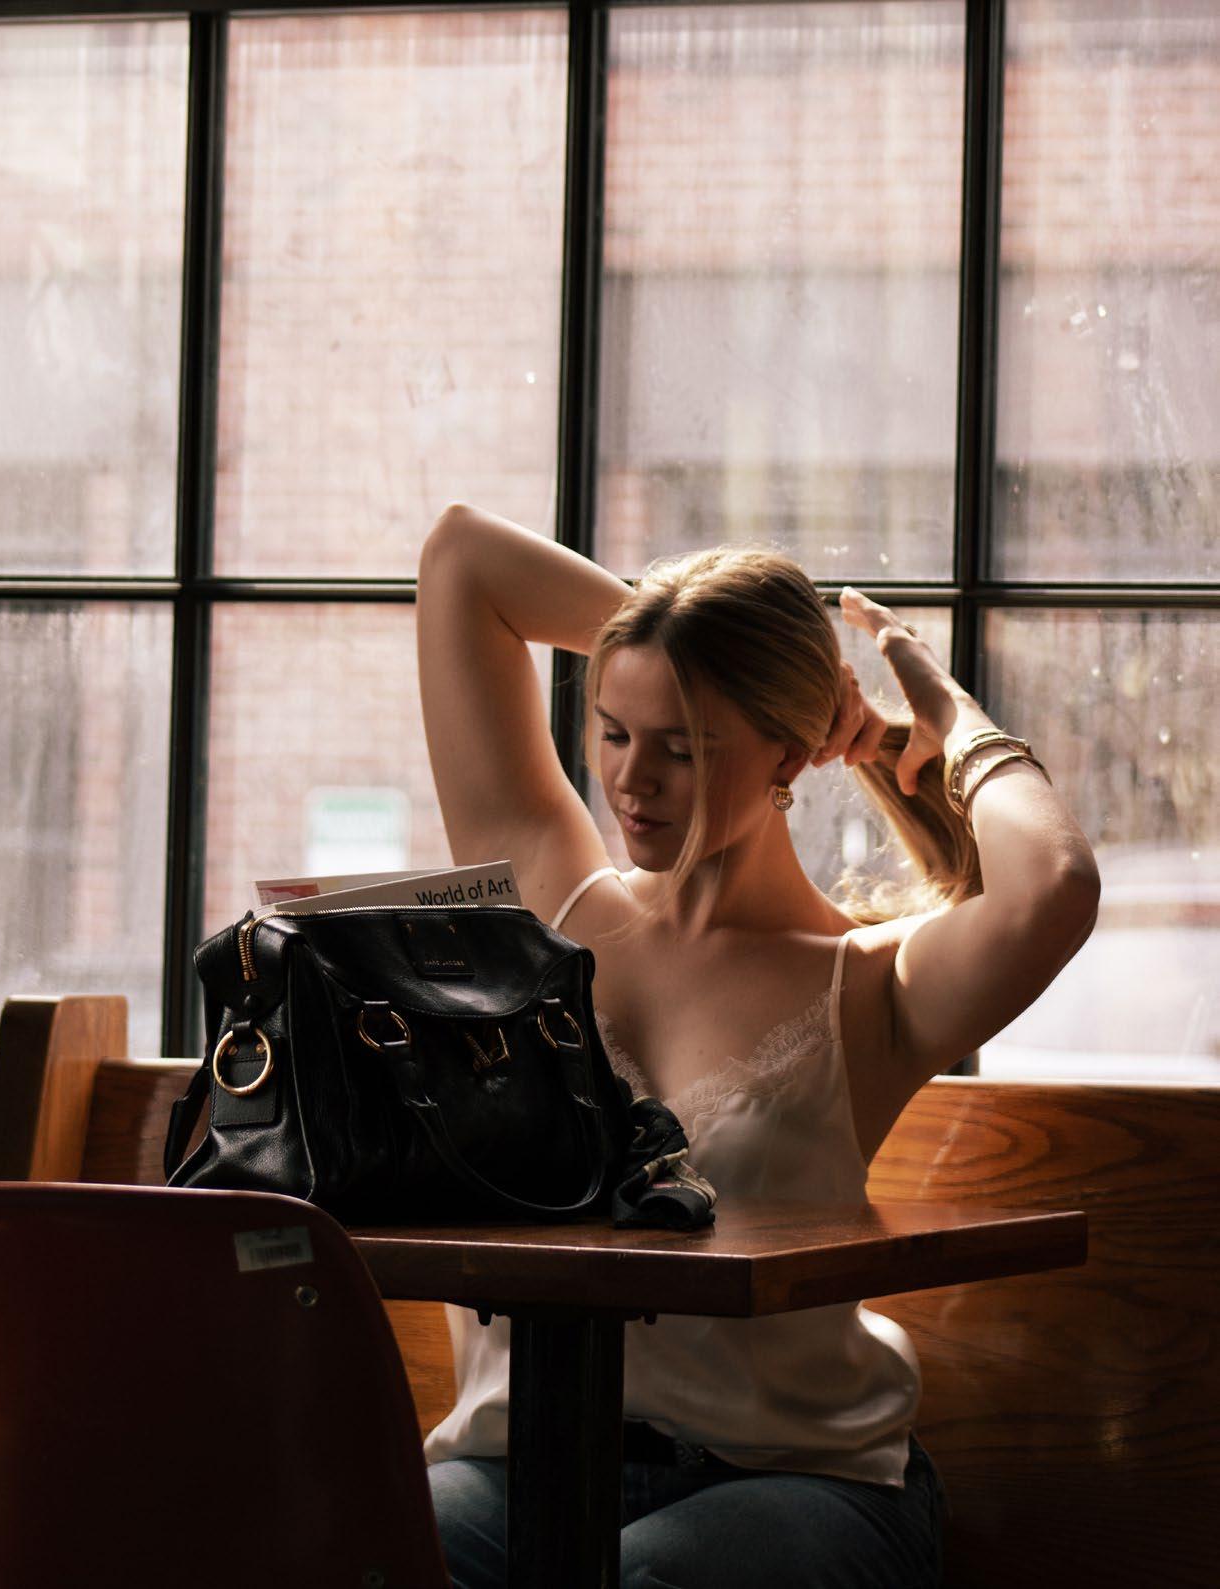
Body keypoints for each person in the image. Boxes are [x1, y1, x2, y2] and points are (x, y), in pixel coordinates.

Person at [415, 501, 1101, 1589]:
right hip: (522, 1463)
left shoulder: (870, 983)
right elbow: (463, 556)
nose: (631, 780)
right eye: (614, 731)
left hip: (794, 1480)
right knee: (358, 1545)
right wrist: (695, 649)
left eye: (684, 747)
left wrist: (949, 717)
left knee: (640, 1582)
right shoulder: (549, 901)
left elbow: (1054, 886)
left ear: (788, 751)